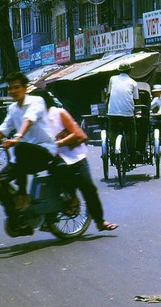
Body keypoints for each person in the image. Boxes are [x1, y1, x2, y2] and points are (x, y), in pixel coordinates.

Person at [35, 90, 118, 232]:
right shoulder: (36, 120)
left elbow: (77, 134)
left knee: (88, 189)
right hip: (56, 160)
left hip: (75, 157)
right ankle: (51, 218)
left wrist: (58, 143)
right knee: (51, 189)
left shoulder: (59, 113)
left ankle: (100, 221)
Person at [0, 72, 59, 211]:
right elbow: (2, 131)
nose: (12, 91)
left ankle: (23, 195)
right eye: (10, 88)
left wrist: (17, 137)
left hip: (44, 151)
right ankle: (16, 212)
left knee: (19, 148)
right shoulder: (12, 108)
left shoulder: (37, 101)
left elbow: (28, 120)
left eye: (16, 87)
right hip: (24, 157)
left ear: (25, 88)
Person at [107, 62, 139, 159]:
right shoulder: (133, 82)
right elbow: (136, 99)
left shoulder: (112, 79)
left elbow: (109, 94)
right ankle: (133, 151)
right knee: (132, 130)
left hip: (113, 112)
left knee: (112, 130)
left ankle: (113, 148)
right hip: (127, 113)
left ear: (119, 70)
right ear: (129, 71)